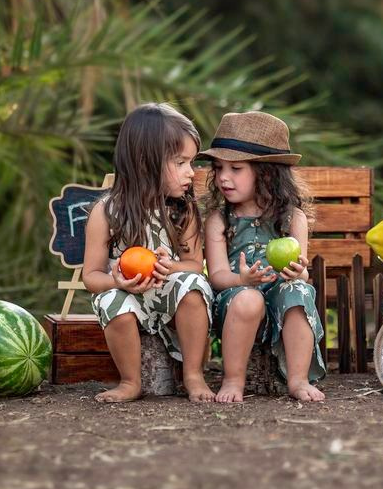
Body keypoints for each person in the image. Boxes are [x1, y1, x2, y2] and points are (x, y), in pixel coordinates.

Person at [82, 103, 215, 403]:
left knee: (195, 288)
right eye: (180, 162)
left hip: (167, 294)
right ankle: (130, 381)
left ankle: (193, 374)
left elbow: (195, 264)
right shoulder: (107, 212)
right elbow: (90, 277)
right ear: (145, 162)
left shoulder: (184, 210)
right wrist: (116, 283)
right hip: (129, 295)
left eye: (191, 162)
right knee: (109, 300)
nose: (190, 172)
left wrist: (174, 268)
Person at [200, 111, 326, 403]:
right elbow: (217, 276)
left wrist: (298, 272)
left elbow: (302, 270)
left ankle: (298, 379)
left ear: (267, 172)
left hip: (280, 297)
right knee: (249, 297)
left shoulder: (292, 218)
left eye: (235, 168)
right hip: (237, 304)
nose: (223, 177)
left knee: (298, 289)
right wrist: (241, 279)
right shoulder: (219, 221)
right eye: (218, 168)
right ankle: (233, 380)